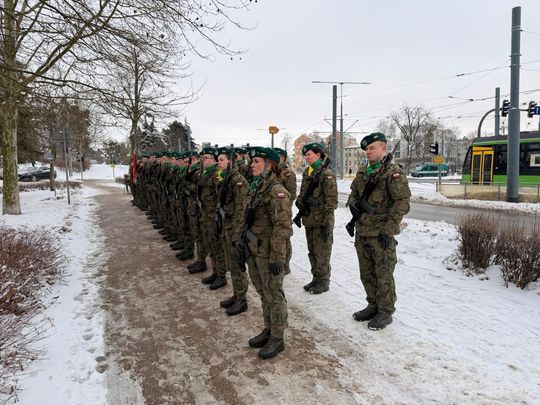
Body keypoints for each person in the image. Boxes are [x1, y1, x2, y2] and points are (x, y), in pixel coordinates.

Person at [347, 132, 411, 330]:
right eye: (366, 149)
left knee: (383, 274)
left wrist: (389, 229)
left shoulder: (393, 173)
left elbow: (402, 203)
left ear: (384, 148)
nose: (368, 151)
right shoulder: (362, 171)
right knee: (366, 273)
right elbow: (353, 194)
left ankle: (385, 311)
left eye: (372, 148)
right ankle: (373, 305)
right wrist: (353, 204)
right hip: (363, 231)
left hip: (381, 234)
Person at [235, 146, 292, 359]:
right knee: (263, 292)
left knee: (274, 295)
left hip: (269, 254)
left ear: (270, 165)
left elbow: (283, 227)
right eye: (252, 161)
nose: (252, 165)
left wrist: (277, 257)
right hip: (255, 249)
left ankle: (277, 337)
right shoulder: (258, 187)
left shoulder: (276, 191)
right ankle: (268, 328)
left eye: (257, 161)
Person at [296, 142, 338, 294]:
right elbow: (303, 193)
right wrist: (299, 201)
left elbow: (331, 201)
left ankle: (324, 281)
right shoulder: (308, 172)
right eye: (305, 155)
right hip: (310, 219)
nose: (306, 157)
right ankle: (316, 278)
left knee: (322, 253)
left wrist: (327, 223)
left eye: (309, 155)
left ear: (318, 155)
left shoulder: (326, 174)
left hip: (322, 221)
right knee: (312, 251)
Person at [215, 146, 250, 314]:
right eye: (218, 160)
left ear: (230, 162)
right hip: (226, 227)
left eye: (221, 160)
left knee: (237, 266)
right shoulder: (225, 178)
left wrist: (237, 233)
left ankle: (242, 300)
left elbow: (241, 210)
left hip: (234, 230)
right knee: (231, 264)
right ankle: (237, 295)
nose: (218, 163)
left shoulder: (238, 181)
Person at [274, 147, 297, 275]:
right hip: (273, 210)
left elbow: (292, 194)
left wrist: (284, 207)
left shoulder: (288, 174)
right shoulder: (273, 172)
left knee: (285, 238)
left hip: (284, 210)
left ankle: (286, 264)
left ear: (282, 158)